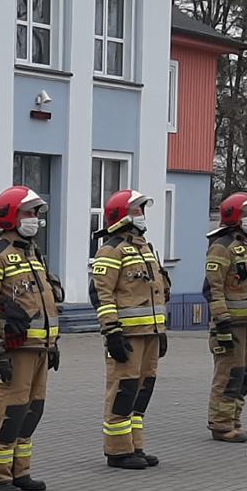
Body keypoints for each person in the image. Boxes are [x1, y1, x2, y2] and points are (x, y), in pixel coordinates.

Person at [0, 186, 63, 491]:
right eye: (28, 212)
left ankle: (19, 471)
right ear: (10, 215)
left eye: (36, 213)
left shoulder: (33, 253)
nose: (34, 219)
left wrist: (53, 343)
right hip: (12, 349)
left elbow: (45, 302)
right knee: (9, 412)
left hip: (38, 348)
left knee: (30, 412)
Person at [89, 189, 170, 470]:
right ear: (121, 215)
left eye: (142, 210)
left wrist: (161, 331)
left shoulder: (144, 248)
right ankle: (117, 450)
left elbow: (156, 293)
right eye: (136, 210)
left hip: (150, 333)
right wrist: (111, 332)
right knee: (123, 390)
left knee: (142, 389)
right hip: (126, 335)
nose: (142, 216)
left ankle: (135, 445)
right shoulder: (111, 250)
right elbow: (102, 294)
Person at [202, 192, 247, 442]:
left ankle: (234, 421)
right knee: (229, 375)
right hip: (230, 325)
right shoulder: (222, 246)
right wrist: (222, 323)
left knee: (245, 375)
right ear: (234, 216)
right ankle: (221, 425)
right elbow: (213, 288)